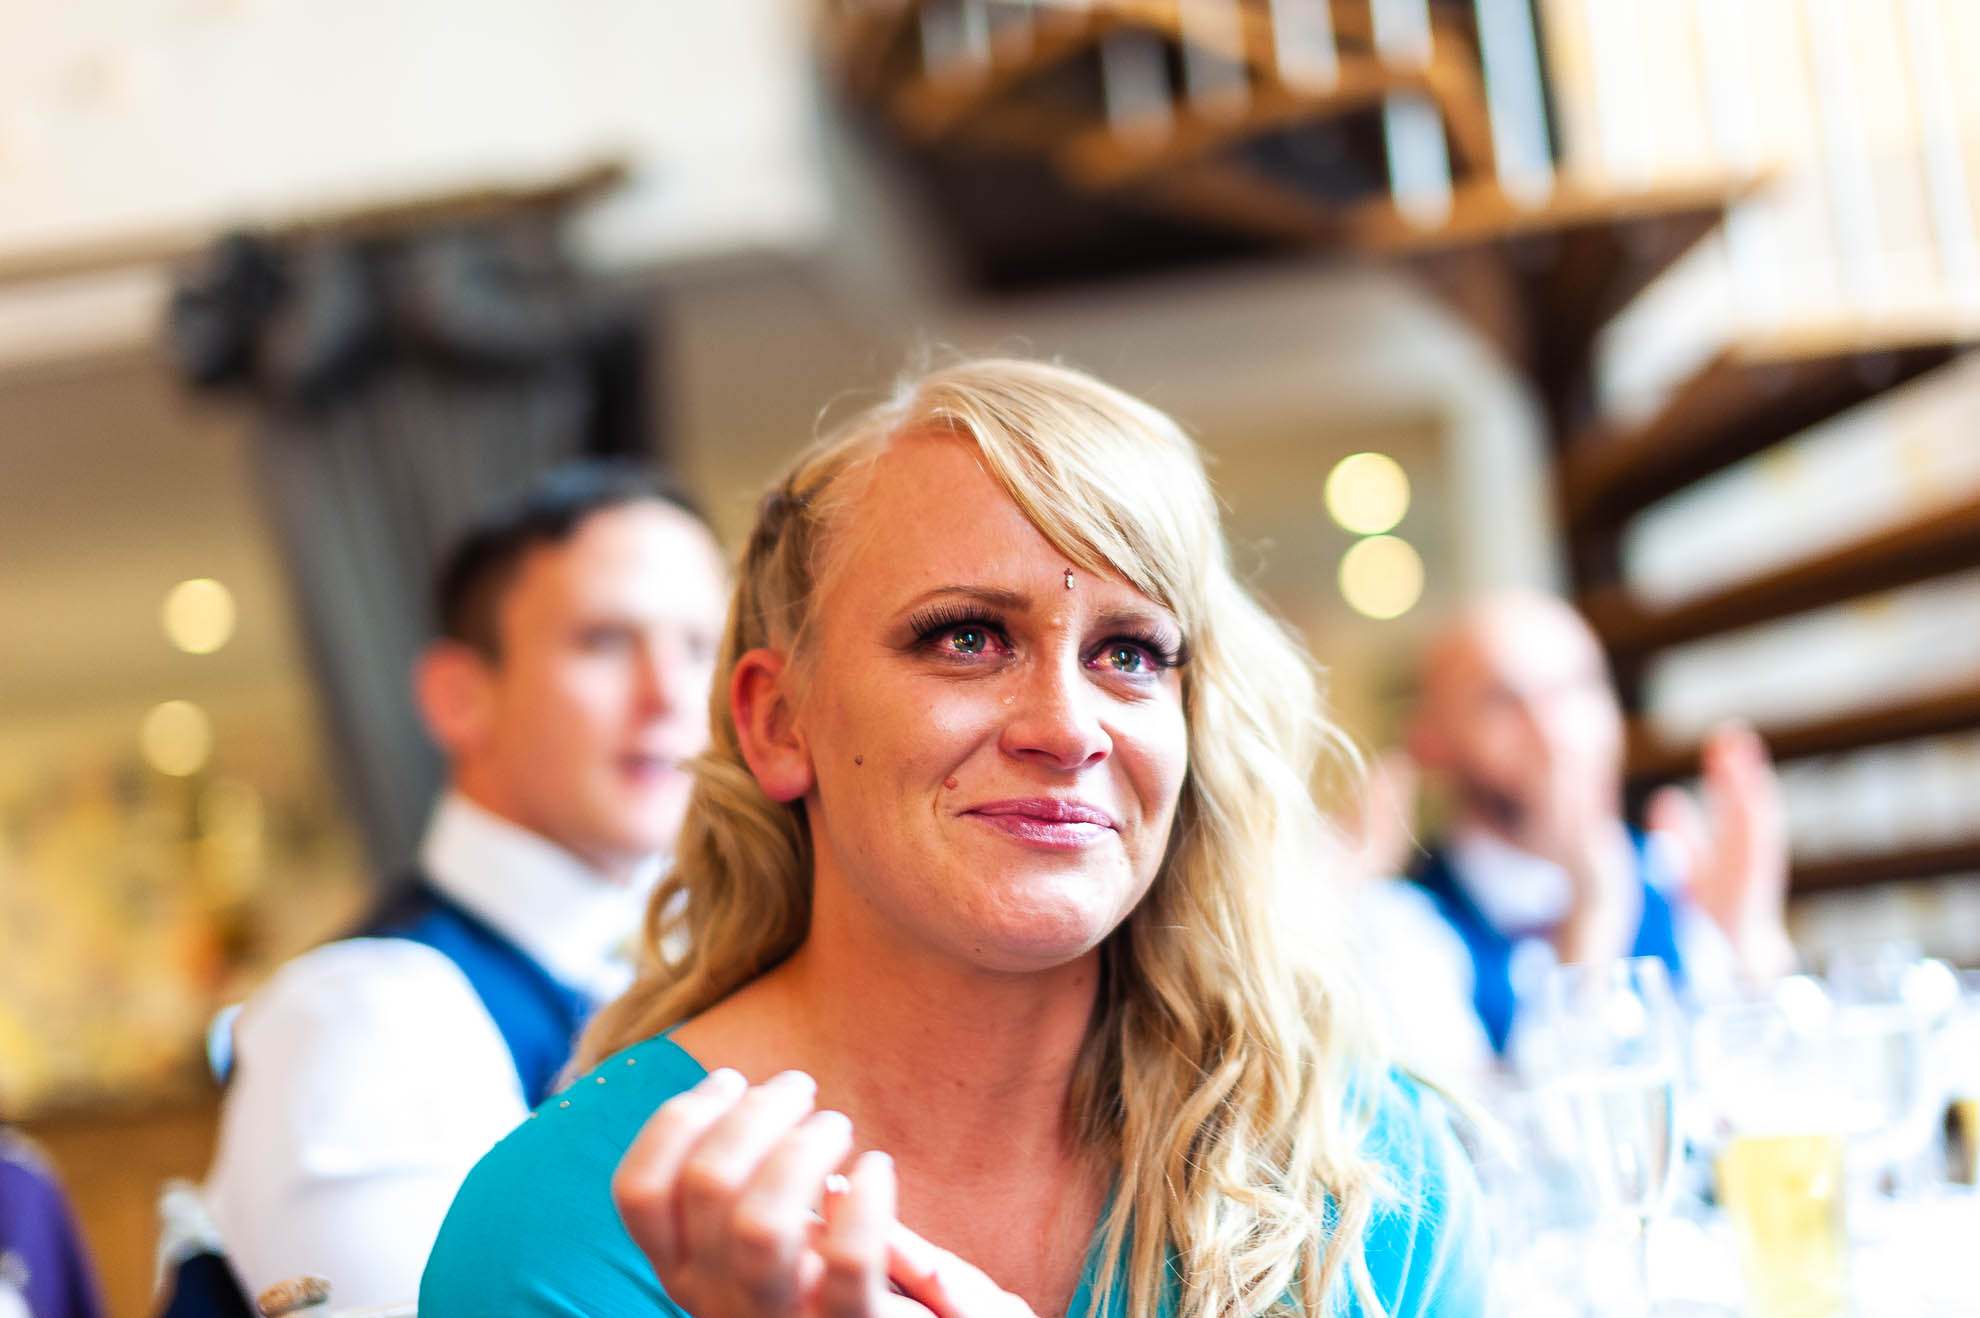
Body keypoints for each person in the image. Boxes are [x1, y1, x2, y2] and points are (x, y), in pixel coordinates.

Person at [421, 359, 1489, 1318]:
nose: (1069, 729)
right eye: (968, 637)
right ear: (778, 722)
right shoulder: (566, 1234)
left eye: (1130, 652)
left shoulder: (1355, 1172)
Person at [197, 460, 730, 1309]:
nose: (669, 695)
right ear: (458, 697)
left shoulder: (729, 957)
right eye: (604, 641)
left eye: (703, 646)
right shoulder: (361, 1016)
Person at [1364, 589, 1794, 1075]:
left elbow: (1769, 1095)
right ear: (1432, 742)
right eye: (1502, 700)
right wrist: (1594, 920)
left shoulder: (1675, 873)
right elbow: (1476, 1136)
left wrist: (1751, 942)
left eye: (1579, 687)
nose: (1555, 730)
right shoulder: (1400, 926)